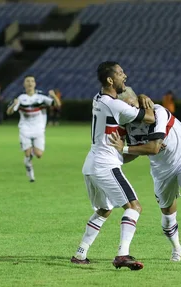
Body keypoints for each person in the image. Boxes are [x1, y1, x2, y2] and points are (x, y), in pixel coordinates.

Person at [109, 87, 181, 265]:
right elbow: (136, 152)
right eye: (124, 108)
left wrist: (122, 148)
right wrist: (113, 161)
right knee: (168, 215)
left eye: (131, 105)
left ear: (138, 102)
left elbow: (153, 148)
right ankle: (176, 248)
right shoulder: (126, 124)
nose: (128, 111)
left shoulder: (158, 112)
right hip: (161, 169)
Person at [71, 61, 155, 271]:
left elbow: (124, 100)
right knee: (134, 207)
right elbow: (150, 117)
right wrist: (144, 98)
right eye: (120, 73)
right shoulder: (115, 105)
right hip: (106, 165)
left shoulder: (99, 98)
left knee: (104, 209)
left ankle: (80, 253)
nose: (124, 76)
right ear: (110, 79)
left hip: (91, 163)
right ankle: (122, 255)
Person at [6, 75, 61, 182]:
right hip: (25, 129)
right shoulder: (20, 98)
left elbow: (57, 105)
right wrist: (14, 105)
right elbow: (9, 112)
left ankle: (28, 160)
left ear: (35, 84)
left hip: (39, 129)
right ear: (24, 84)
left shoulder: (41, 97)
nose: (30, 83)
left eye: (32, 81)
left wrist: (54, 96)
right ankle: (30, 171)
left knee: (39, 154)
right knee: (27, 153)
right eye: (27, 81)